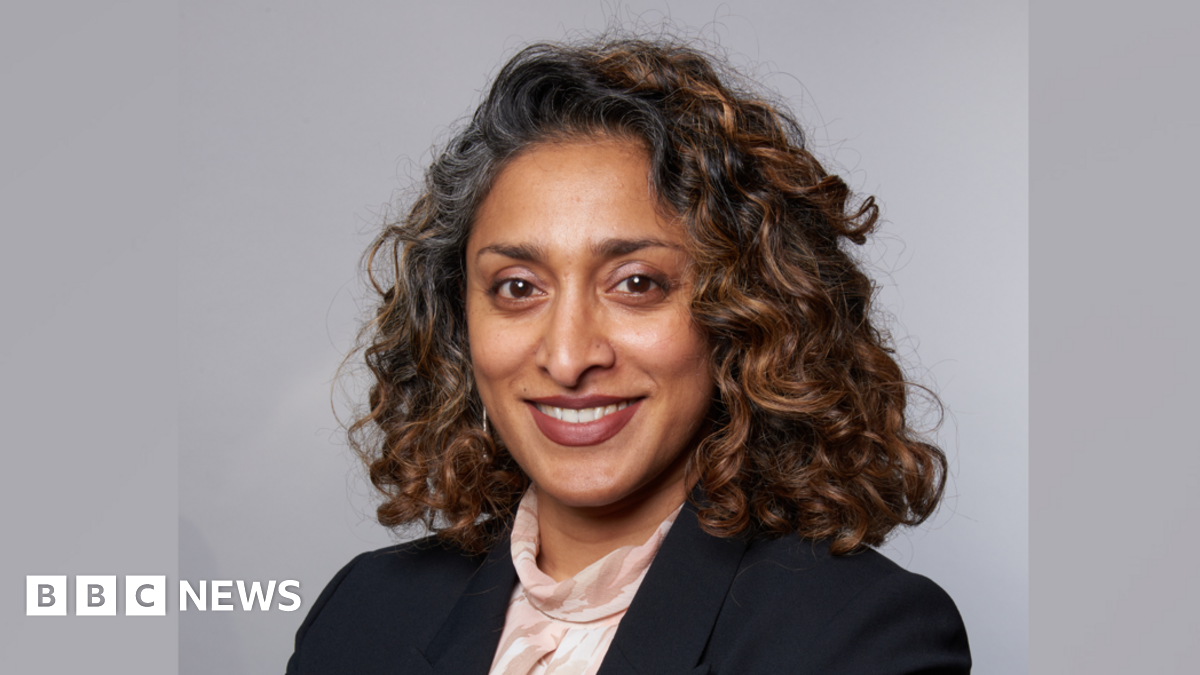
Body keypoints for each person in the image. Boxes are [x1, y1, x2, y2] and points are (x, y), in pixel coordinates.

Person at [287, 36, 971, 675]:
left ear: (746, 312)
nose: (566, 355)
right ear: (458, 321)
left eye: (636, 283)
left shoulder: (855, 635)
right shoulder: (361, 612)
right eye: (518, 287)